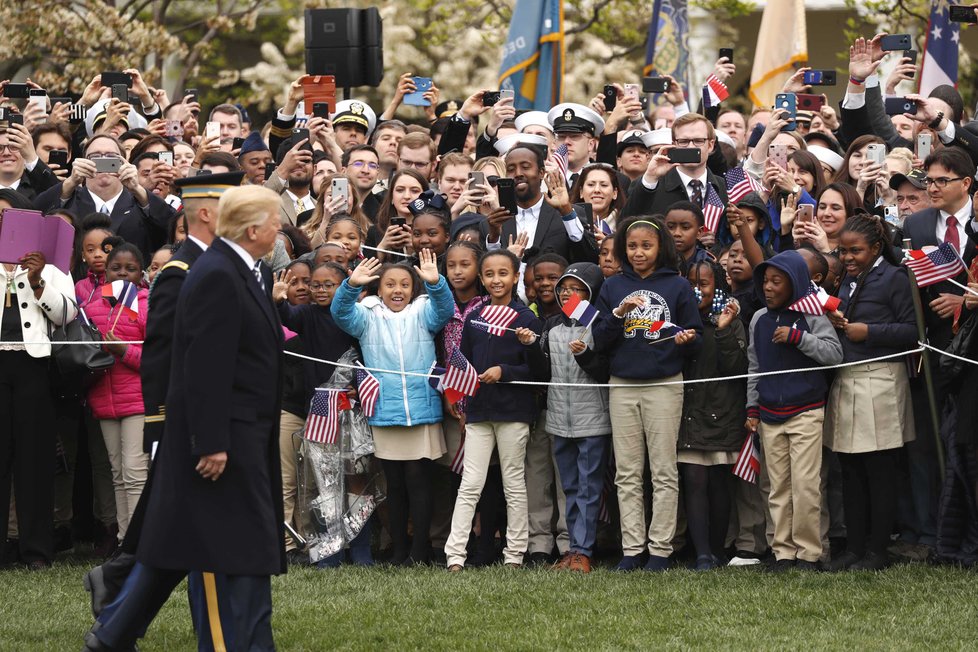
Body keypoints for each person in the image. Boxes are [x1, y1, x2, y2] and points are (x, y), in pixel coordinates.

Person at [85, 184, 285, 651]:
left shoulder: (241, 268)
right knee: (218, 554)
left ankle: (113, 632)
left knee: (193, 547)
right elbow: (200, 366)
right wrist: (210, 440)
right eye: (274, 221)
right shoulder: (216, 272)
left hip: (241, 437)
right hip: (221, 442)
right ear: (253, 228)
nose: (280, 229)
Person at [591, 216, 702, 571]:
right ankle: (632, 548)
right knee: (627, 471)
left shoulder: (678, 287)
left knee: (664, 471)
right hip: (622, 384)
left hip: (665, 383)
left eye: (646, 246)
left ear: (660, 248)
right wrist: (619, 313)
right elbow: (601, 341)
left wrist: (687, 340)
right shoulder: (612, 287)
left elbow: (695, 336)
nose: (638, 253)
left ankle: (660, 549)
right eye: (632, 246)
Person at [330, 251, 453, 565]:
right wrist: (351, 286)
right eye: (389, 284)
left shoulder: (422, 312)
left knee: (419, 482)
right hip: (385, 412)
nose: (397, 290)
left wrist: (435, 282)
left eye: (404, 285)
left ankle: (420, 551)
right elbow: (341, 314)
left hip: (421, 412)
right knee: (395, 484)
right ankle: (399, 551)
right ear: (379, 289)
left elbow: (445, 310)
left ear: (413, 289)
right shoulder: (367, 315)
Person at [825, 214, 917, 571]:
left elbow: (912, 331)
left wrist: (871, 332)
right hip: (847, 378)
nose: (847, 258)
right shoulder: (846, 282)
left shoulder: (894, 278)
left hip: (879, 380)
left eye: (856, 251)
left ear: (876, 248)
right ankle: (854, 546)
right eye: (843, 251)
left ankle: (878, 550)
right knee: (849, 468)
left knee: (878, 470)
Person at [745, 250, 844, 572]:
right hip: (770, 413)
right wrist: (752, 407)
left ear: (796, 284)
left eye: (777, 281)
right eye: (765, 282)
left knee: (806, 485)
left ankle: (809, 553)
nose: (769, 288)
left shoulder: (811, 316)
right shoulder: (759, 319)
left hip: (806, 412)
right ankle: (783, 552)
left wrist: (799, 338)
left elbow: (833, 354)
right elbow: (754, 366)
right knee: (778, 487)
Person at [445, 249, 543, 571]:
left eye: (503, 273)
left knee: (513, 482)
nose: (496, 280)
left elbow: (539, 372)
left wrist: (508, 368)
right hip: (479, 411)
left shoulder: (526, 319)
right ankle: (455, 556)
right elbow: (463, 362)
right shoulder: (474, 318)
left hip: (513, 411)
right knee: (470, 483)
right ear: (482, 278)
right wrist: (463, 404)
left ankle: (514, 555)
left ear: (516, 276)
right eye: (489, 274)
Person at [0, 189, 78, 570]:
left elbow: (66, 316)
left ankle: (36, 552)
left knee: (34, 461)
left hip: (34, 367)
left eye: (7, 217)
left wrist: (37, 282)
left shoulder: (48, 267)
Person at [526, 262, 611, 574]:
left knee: (589, 487)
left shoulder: (598, 326)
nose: (567, 293)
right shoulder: (551, 326)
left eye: (575, 289)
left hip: (593, 420)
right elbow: (541, 373)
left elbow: (604, 371)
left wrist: (585, 355)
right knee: (571, 487)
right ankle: (572, 549)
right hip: (560, 420)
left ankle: (584, 551)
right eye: (563, 288)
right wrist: (531, 348)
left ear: (590, 293)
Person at [272, 261, 356, 560]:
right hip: (316, 409)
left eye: (327, 285)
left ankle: (354, 545)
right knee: (319, 480)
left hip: (348, 406)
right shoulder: (306, 314)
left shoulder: (350, 316)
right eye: (315, 285)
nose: (319, 290)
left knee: (351, 479)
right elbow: (288, 317)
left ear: (342, 286)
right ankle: (318, 545)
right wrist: (279, 299)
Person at [679, 259, 748, 570]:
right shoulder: (677, 316)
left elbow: (736, 367)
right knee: (693, 480)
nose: (697, 290)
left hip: (720, 411)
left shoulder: (730, 318)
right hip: (687, 413)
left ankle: (718, 548)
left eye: (704, 284)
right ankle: (702, 552)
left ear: (717, 287)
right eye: (691, 284)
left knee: (719, 483)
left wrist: (721, 331)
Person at [83, 239, 150, 542]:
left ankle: (138, 542)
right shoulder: (91, 306)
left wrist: (124, 351)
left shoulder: (148, 305)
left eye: (131, 269)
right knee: (117, 473)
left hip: (137, 400)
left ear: (141, 274)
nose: (123, 274)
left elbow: (160, 359)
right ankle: (124, 541)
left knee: (135, 471)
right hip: (103, 399)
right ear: (105, 271)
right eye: (116, 268)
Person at [34, 134, 176, 263]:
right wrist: (70, 182)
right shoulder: (68, 199)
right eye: (95, 157)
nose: (103, 161)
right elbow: (35, 217)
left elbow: (172, 226)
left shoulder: (141, 202)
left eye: (111, 157)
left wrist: (137, 188)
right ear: (83, 162)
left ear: (123, 162)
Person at [481, 145, 597, 264]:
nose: (518, 173)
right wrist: (494, 239)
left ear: (541, 172)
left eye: (525, 167)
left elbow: (589, 258)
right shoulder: (493, 222)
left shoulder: (568, 213)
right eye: (511, 169)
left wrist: (566, 211)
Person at [622, 113, 729, 219]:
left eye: (698, 141)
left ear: (710, 145)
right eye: (683, 141)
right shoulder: (651, 185)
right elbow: (626, 222)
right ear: (674, 144)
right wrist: (650, 178)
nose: (691, 146)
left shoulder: (727, 189)